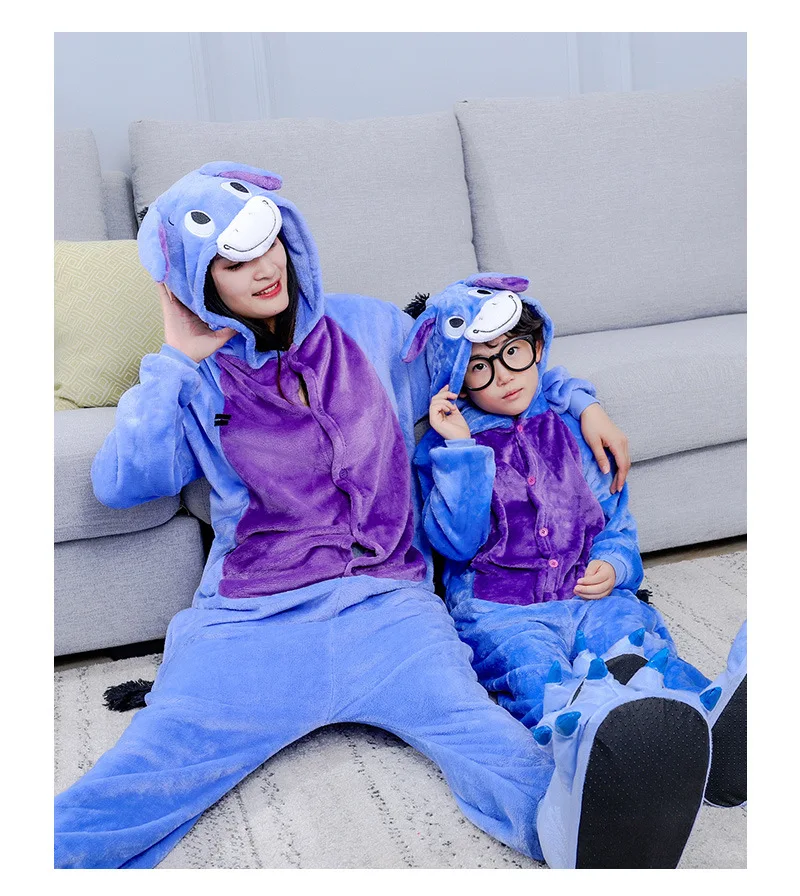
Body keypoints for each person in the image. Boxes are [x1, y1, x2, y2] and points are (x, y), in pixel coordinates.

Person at [54, 163, 634, 869]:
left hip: (392, 610)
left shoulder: (373, 327)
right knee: (141, 776)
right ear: (197, 282)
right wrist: (172, 363)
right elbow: (121, 483)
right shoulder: (194, 378)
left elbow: (485, 360)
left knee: (498, 749)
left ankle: (601, 840)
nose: (264, 269)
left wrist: (581, 400)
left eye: (269, 243)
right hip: (253, 621)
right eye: (232, 262)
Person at [408, 274, 747, 868]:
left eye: (514, 353)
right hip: (503, 609)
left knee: (637, 644)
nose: (504, 375)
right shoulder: (445, 448)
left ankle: (709, 732)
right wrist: (460, 451)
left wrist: (615, 566)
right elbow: (454, 543)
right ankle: (601, 741)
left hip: (590, 593)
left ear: (537, 346)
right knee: (535, 677)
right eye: (480, 366)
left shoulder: (570, 426)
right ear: (455, 378)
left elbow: (615, 524)